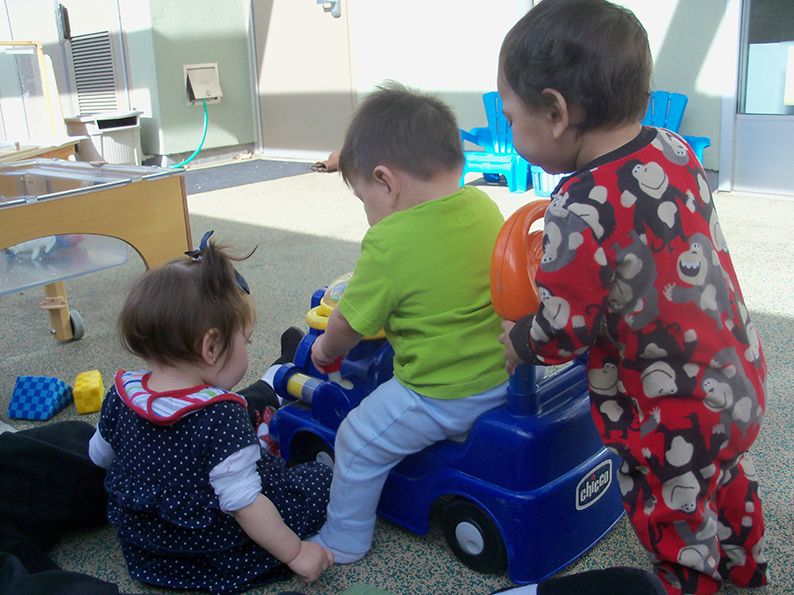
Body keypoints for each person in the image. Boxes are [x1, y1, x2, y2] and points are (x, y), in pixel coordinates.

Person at [495, 2, 768, 594]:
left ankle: (688, 585)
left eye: (512, 118)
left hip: (674, 408)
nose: (511, 135)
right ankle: (746, 569)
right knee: (725, 479)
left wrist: (518, 340)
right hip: (737, 375)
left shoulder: (579, 201)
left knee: (674, 513)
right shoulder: (674, 149)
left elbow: (565, 329)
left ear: (556, 111)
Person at [306, 81, 512, 564]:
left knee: (356, 439)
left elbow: (350, 325)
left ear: (386, 181)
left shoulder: (388, 242)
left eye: (363, 198)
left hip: (440, 392)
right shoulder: (484, 206)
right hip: (502, 373)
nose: (367, 212)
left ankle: (343, 540)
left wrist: (323, 352)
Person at [88, 235, 334, 594]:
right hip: (216, 558)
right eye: (245, 342)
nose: (245, 349)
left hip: (146, 553)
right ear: (212, 346)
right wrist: (296, 552)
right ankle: (277, 381)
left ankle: (273, 384)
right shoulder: (220, 418)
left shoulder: (123, 394)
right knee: (317, 480)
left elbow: (99, 456)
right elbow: (245, 505)